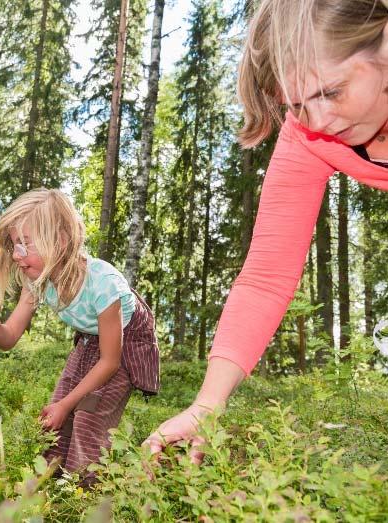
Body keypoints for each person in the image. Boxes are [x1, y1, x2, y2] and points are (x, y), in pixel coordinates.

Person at [145, 0, 388, 461]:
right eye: (296, 104)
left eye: (330, 92)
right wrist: (207, 404)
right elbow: (265, 279)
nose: (317, 121)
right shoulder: (309, 136)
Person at [0, 188, 160, 479]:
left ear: (59, 240)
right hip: (91, 338)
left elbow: (109, 362)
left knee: (88, 415)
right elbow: (8, 339)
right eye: (14, 245)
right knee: (56, 412)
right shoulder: (38, 282)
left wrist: (67, 404)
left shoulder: (103, 284)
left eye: (26, 244)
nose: (18, 255)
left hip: (125, 340)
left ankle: (84, 490)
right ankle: (51, 480)